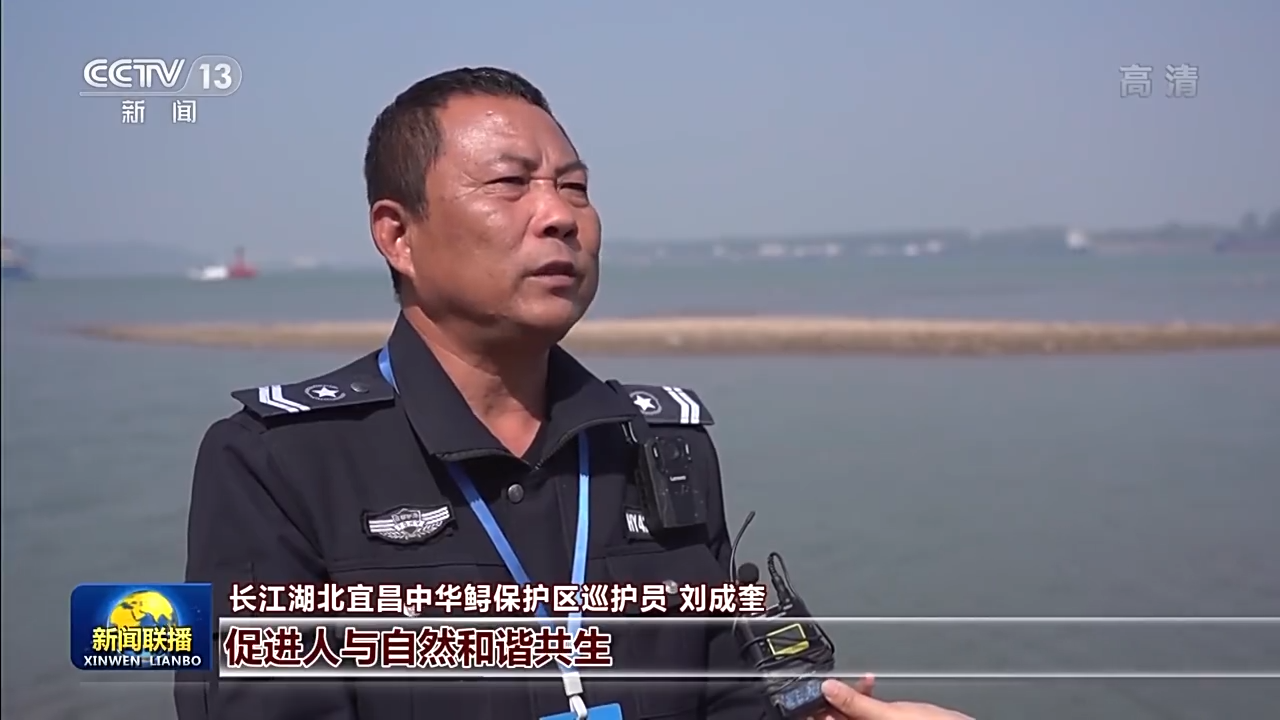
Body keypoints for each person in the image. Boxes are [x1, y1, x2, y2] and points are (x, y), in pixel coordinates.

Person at [175, 66, 971, 720]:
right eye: (509, 183)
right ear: (398, 234)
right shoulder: (274, 462)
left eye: (576, 187)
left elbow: (731, 696)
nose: (560, 215)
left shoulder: (661, 446)